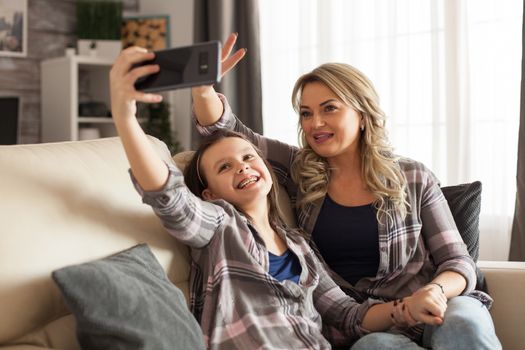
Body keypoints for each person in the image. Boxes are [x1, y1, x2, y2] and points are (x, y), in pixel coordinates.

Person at [108, 45, 446, 349]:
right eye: (225, 167)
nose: (242, 167)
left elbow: (347, 314)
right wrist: (127, 116)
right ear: (209, 194)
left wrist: (407, 307)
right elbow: (169, 195)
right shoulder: (219, 226)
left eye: (248, 158)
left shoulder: (301, 247)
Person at [191, 33, 501, 349]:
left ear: (362, 114)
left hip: (440, 304)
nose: (315, 123)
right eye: (306, 113)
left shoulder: (413, 176)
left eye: (329, 109)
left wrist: (434, 292)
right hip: (369, 324)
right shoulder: (298, 168)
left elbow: (458, 262)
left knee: (463, 323)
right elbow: (230, 134)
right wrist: (203, 91)